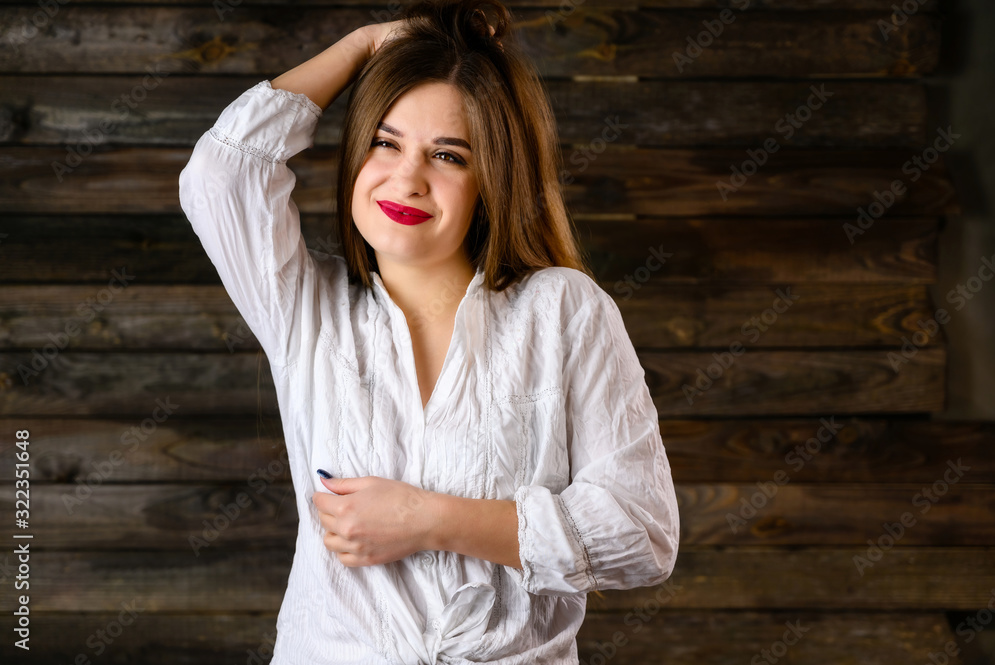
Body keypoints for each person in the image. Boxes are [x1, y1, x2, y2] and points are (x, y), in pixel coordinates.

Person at [177, 0, 679, 662]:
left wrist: (426, 519)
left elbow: (642, 534)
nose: (407, 178)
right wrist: (364, 45)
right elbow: (224, 174)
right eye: (386, 142)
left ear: (490, 181)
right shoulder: (306, 307)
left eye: (448, 154)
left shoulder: (564, 311)